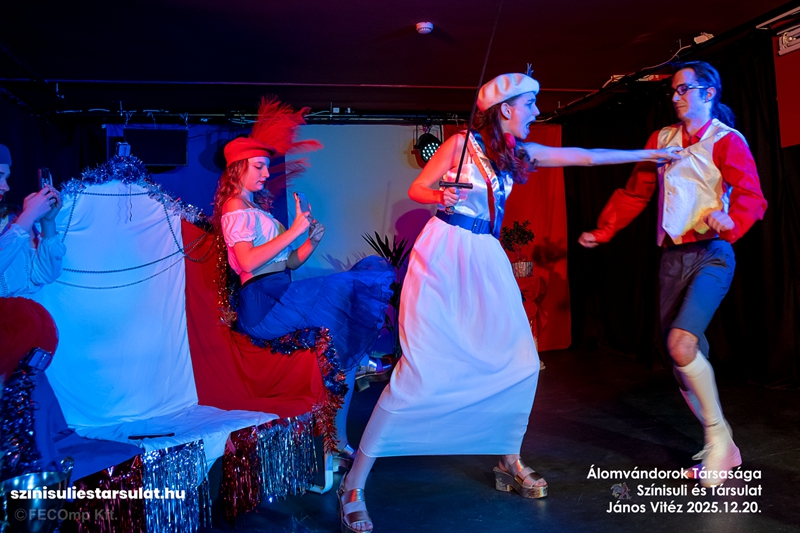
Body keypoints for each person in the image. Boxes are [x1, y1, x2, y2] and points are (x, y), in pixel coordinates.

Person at [338, 73, 682, 533]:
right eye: (530, 103)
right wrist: (439, 193)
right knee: (420, 372)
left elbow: (585, 156)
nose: (537, 112)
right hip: (444, 253)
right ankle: (354, 483)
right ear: (505, 109)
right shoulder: (459, 145)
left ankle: (508, 458)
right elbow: (417, 189)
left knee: (520, 362)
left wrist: (648, 154)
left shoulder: (519, 153)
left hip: (486, 257)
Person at [578, 61, 767, 487]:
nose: (676, 97)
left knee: (681, 345)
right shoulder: (661, 140)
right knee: (680, 358)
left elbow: (752, 197)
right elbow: (635, 193)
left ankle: (718, 438)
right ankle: (723, 444)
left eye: (685, 89)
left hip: (713, 254)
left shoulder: (726, 140)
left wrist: (731, 221)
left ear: (708, 93)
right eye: (674, 91)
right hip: (672, 259)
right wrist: (604, 231)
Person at [212, 100, 394, 466]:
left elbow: (289, 262)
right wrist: (294, 230)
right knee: (342, 286)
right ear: (238, 168)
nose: (266, 173)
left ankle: (339, 433)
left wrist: (311, 240)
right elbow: (247, 262)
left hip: (280, 292)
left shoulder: (256, 210)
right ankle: (363, 361)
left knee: (339, 354)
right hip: (263, 304)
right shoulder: (234, 207)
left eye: (267, 166)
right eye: (259, 166)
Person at [0, 143, 65, 299]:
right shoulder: (21, 223)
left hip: (20, 312)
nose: (6, 187)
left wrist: (47, 222)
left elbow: (45, 275)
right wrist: (28, 216)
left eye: (6, 178)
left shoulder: (12, 219)